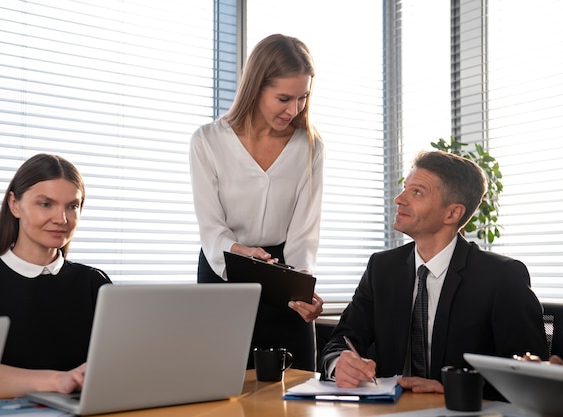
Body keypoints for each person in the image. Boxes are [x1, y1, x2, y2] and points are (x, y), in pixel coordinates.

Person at [319, 150, 548, 400]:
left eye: (417, 192)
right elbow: (342, 339)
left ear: (452, 214)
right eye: (405, 188)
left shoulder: (501, 276)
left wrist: (455, 387)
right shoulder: (382, 268)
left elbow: (531, 377)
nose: (399, 199)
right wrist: (339, 365)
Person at [189, 34, 324, 371]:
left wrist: (302, 287)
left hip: (283, 276)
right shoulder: (207, 141)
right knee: (220, 386)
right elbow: (211, 228)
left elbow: (304, 233)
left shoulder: (310, 146)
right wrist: (240, 253)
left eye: (302, 98)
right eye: (283, 98)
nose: (293, 110)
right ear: (256, 87)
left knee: (296, 389)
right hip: (224, 273)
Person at [0, 154, 111, 398]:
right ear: (14, 204)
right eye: (45, 204)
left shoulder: (95, 283)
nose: (61, 219)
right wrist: (58, 380)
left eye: (72, 206)